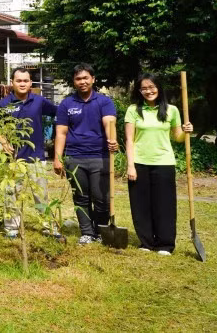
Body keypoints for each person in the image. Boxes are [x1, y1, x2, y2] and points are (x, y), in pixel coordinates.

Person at [125, 73, 192, 255]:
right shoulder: (133, 110)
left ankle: (165, 244)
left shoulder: (172, 110)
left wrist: (186, 131)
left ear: (159, 88)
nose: (148, 91)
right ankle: (146, 242)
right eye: (144, 88)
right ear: (139, 91)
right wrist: (130, 165)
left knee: (164, 204)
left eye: (152, 87)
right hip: (139, 162)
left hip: (164, 162)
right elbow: (129, 140)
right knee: (141, 204)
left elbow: (177, 138)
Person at [53, 63, 118, 245]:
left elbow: (109, 123)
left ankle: (100, 230)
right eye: (78, 79)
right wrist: (58, 159)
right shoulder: (67, 103)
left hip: (100, 156)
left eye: (85, 78)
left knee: (101, 198)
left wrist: (112, 139)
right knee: (81, 197)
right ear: (74, 82)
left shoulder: (104, 102)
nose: (82, 82)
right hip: (74, 157)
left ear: (93, 79)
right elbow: (61, 133)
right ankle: (87, 232)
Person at [0, 67, 58, 238]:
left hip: (36, 157)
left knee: (41, 194)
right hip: (13, 159)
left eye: (25, 81)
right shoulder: (4, 104)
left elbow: (58, 113)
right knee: (11, 194)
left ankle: (48, 226)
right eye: (18, 80)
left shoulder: (39, 101)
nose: (22, 84)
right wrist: (3, 142)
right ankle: (12, 228)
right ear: (12, 83)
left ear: (31, 83)